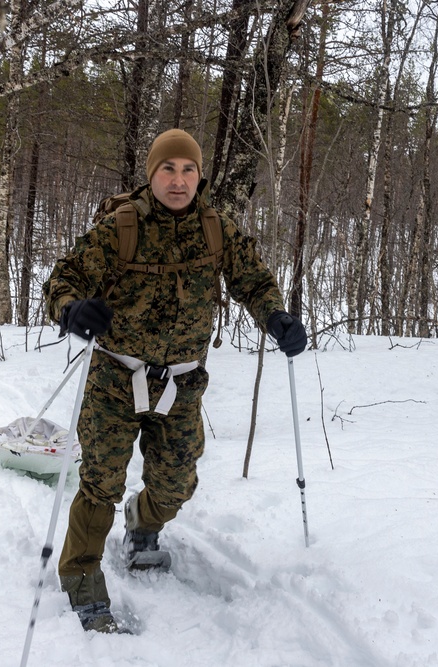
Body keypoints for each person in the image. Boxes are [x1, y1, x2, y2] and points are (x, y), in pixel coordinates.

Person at [42, 128, 306, 633]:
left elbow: (252, 280)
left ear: (199, 174)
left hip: (181, 386)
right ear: (151, 174)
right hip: (115, 380)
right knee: (100, 482)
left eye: (188, 169)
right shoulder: (121, 227)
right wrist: (72, 309)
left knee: (176, 483)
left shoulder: (217, 229)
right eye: (168, 169)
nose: (179, 180)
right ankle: (81, 580)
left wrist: (276, 318)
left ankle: (142, 524)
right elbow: (65, 276)